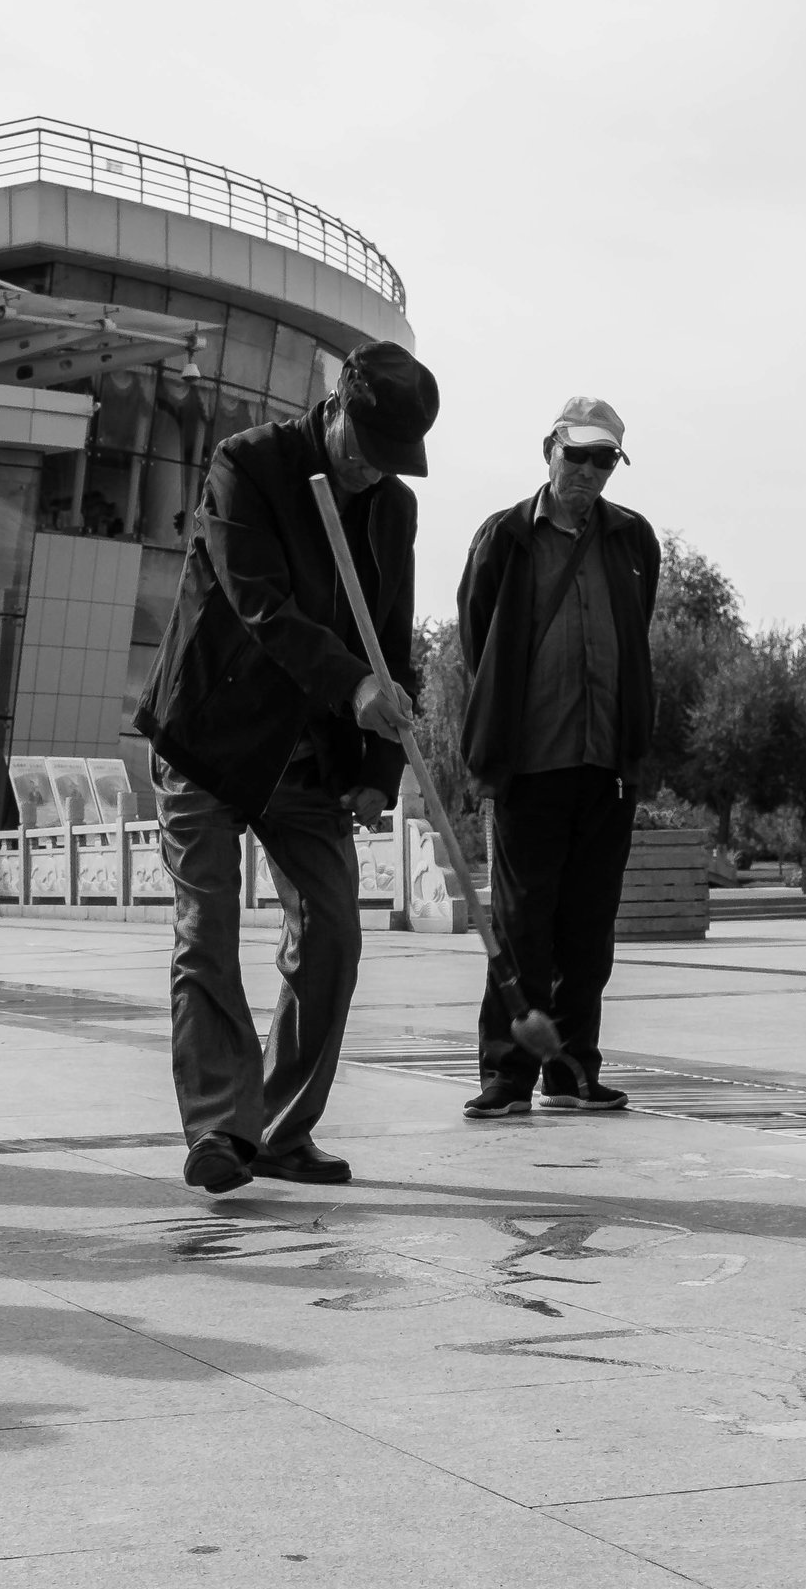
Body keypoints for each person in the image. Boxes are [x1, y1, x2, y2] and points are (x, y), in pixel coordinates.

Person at [134, 342, 433, 1194]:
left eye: (390, 462)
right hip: (210, 735)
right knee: (207, 930)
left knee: (335, 930)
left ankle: (279, 1124)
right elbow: (259, 602)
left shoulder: (393, 511)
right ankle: (221, 1130)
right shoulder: (247, 466)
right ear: (335, 406)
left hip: (309, 754)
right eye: (364, 450)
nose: (372, 472)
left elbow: (392, 640)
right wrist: (354, 685)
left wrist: (379, 765)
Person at [455, 396, 660, 1118]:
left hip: (606, 766)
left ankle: (573, 1072)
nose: (590, 471)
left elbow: (635, 637)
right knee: (520, 926)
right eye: (579, 455)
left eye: (605, 459)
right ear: (549, 448)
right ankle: (507, 1074)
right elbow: (478, 643)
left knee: (588, 929)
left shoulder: (633, 539)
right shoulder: (504, 536)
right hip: (529, 764)